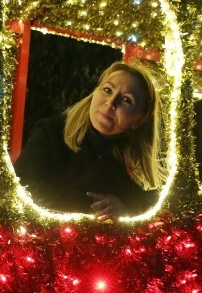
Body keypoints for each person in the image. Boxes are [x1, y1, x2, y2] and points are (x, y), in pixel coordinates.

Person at [13, 61, 166, 220]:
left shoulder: (138, 163)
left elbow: (154, 204)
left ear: (139, 120)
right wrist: (93, 205)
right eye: (107, 90)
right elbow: (21, 184)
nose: (111, 102)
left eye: (127, 100)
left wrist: (124, 209)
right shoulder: (52, 131)